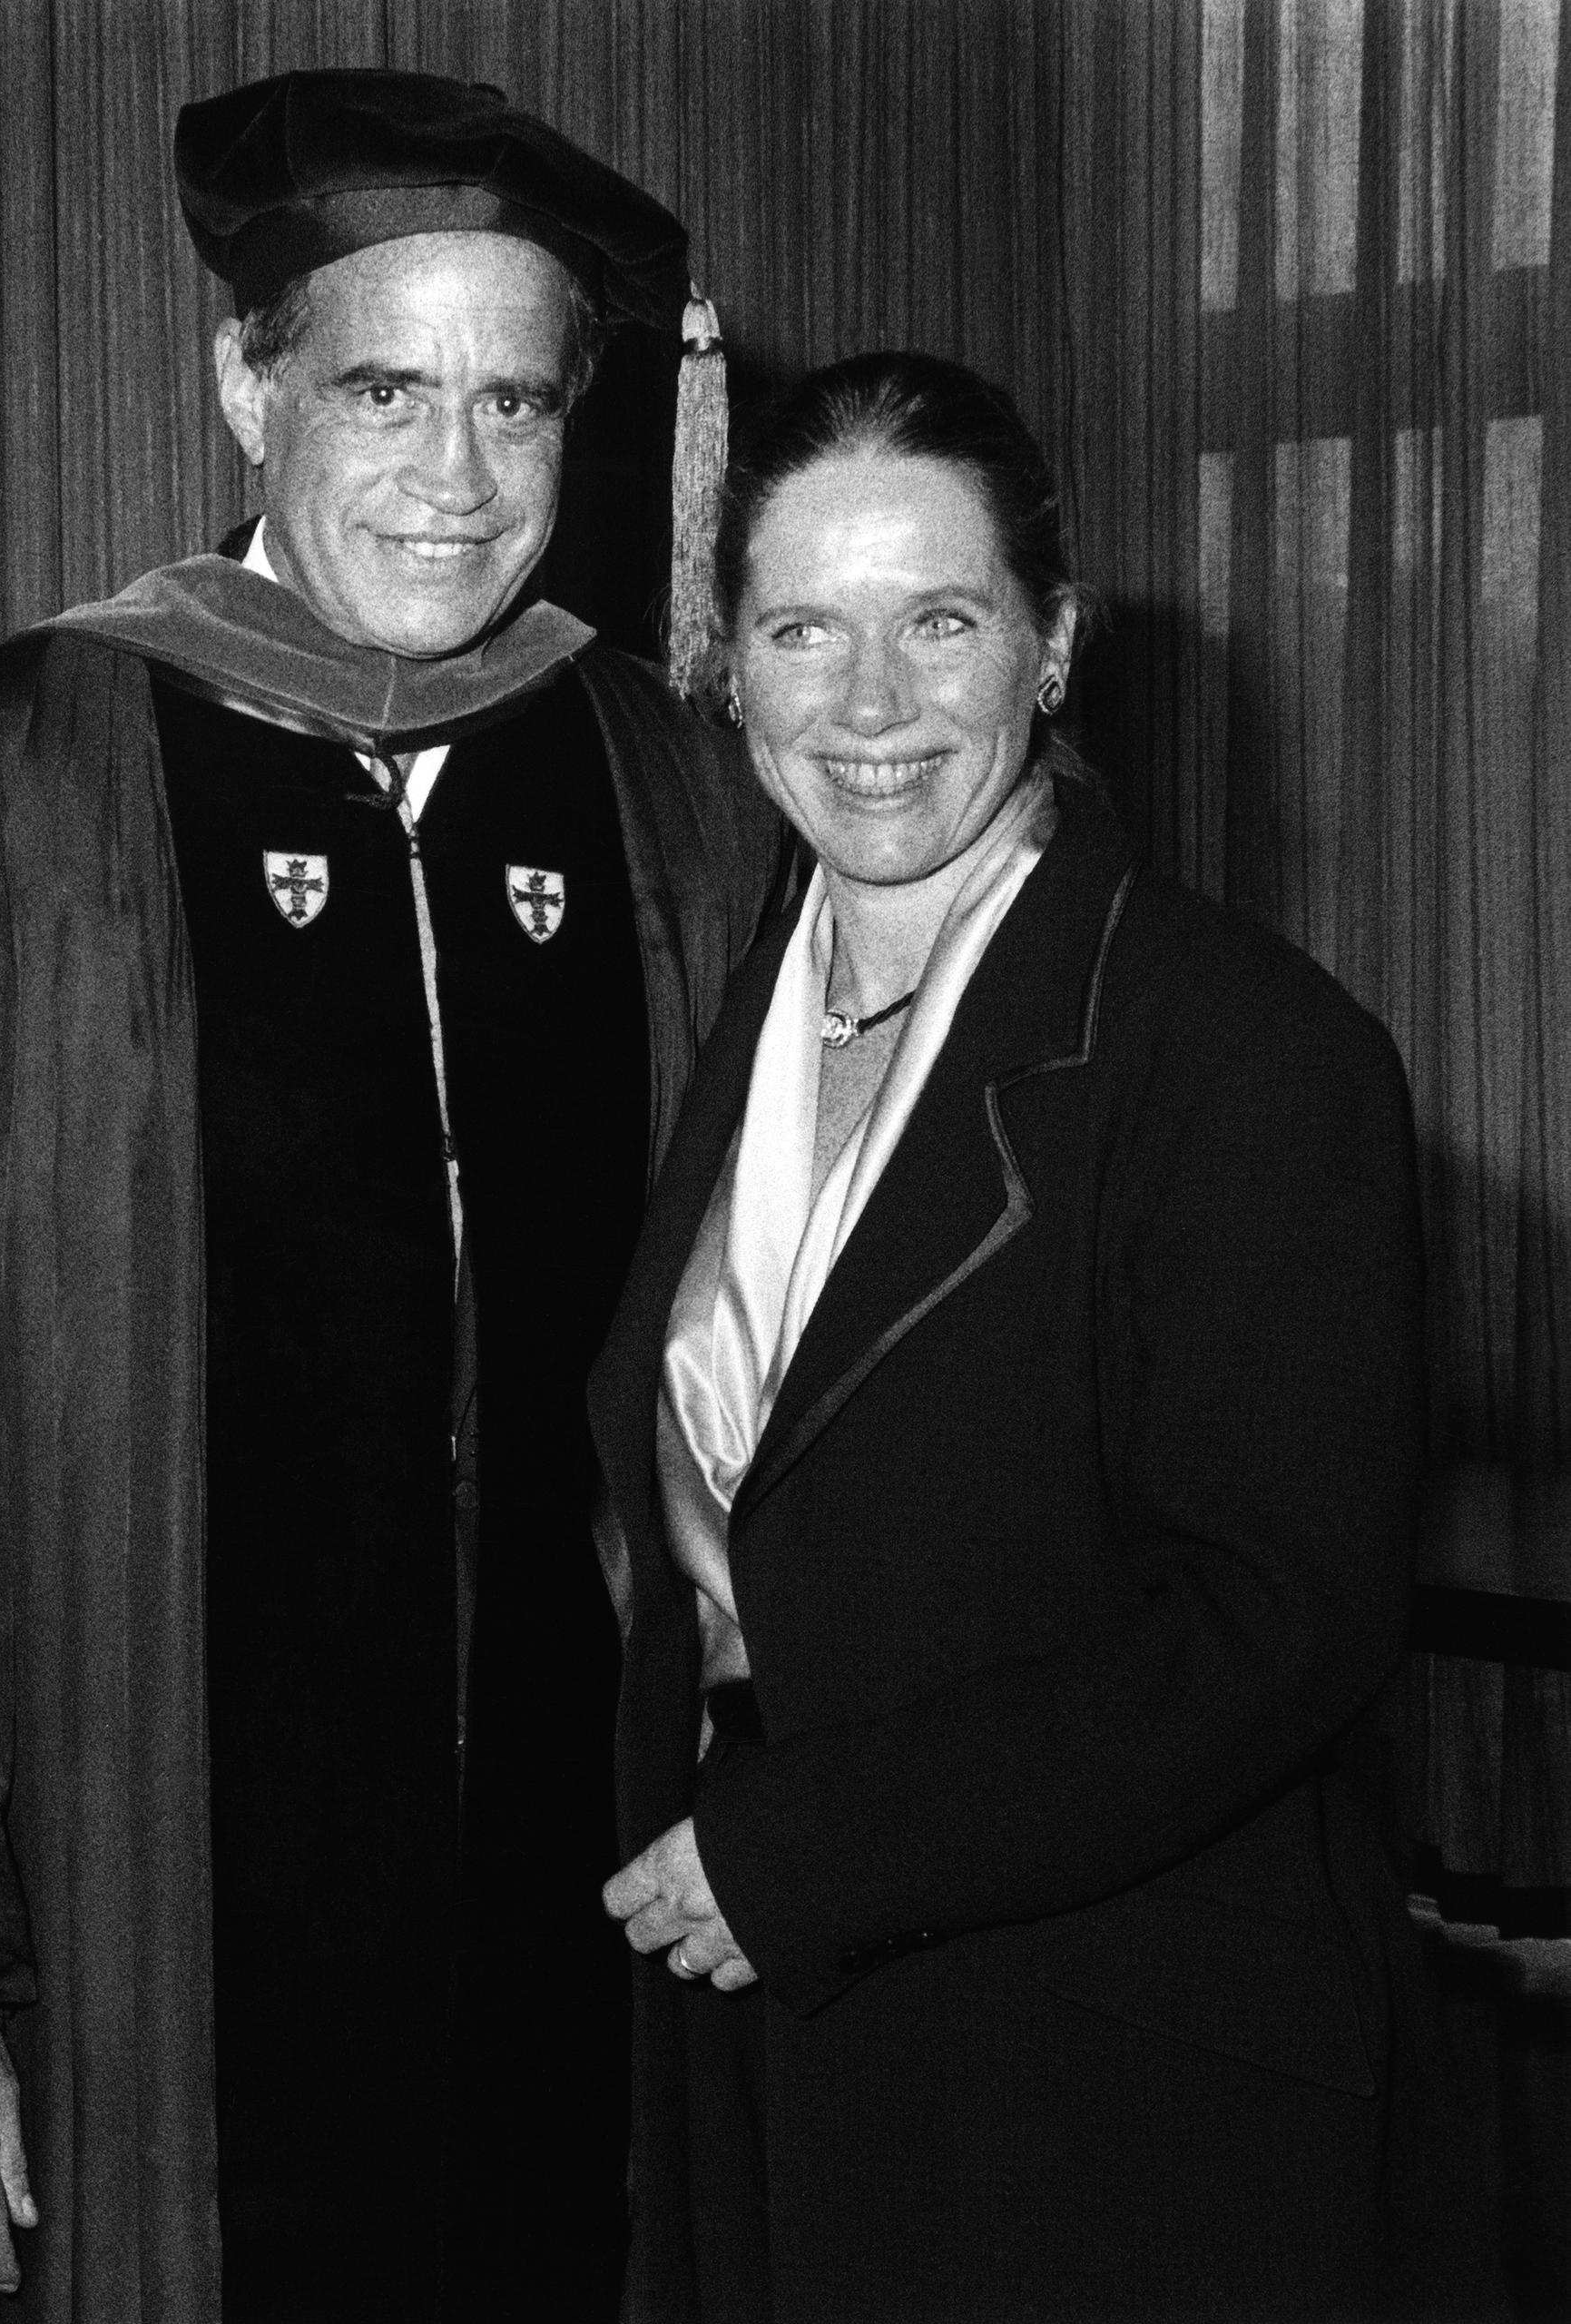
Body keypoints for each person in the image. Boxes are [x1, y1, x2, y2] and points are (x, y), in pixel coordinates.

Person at [0, 70, 781, 2324]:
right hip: (126, 1922)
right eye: (382, 389)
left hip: (602, 1918)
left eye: (516, 401)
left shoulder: (668, 791)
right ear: (243, 379)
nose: (456, 476)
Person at [595, 352, 1497, 2321]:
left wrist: (809, 1850)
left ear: (1053, 645)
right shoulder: (736, 1019)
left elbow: (1276, 1619)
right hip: (769, 2036)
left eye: (940, 619)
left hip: (1114, 2075)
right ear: (726, 665)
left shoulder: (1248, 1051)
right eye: (799, 629)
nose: (868, 703)